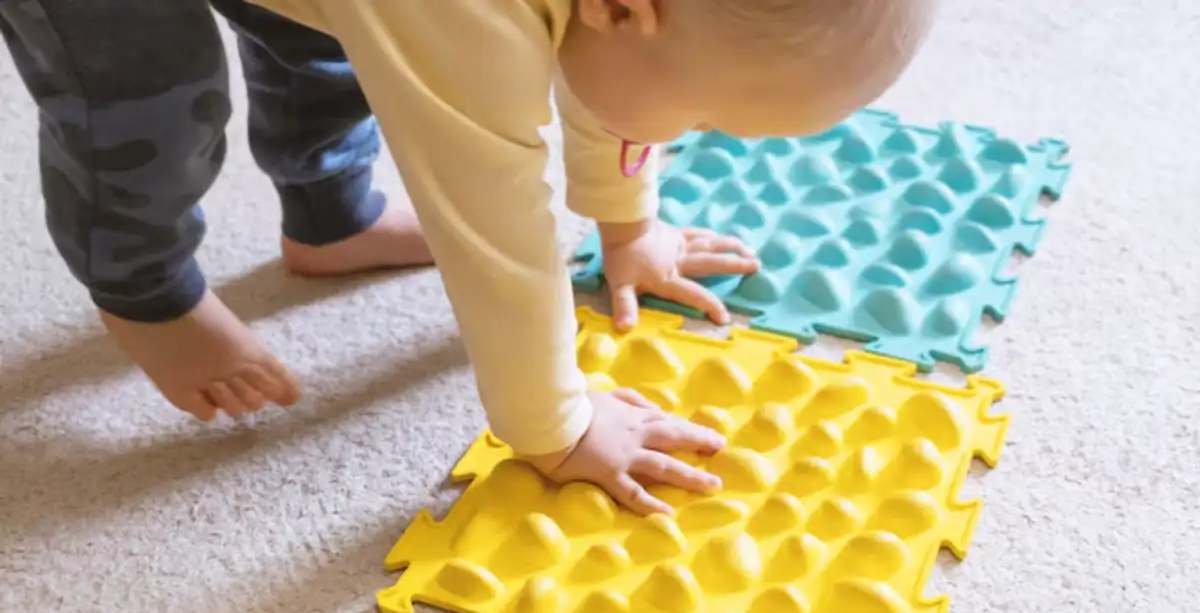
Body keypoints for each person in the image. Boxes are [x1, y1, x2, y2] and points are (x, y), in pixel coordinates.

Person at [0, 0, 936, 515]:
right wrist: (555, 423)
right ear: (624, 7)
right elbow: (493, 223)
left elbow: (604, 72)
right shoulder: (466, 13)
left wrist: (626, 222)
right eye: (705, 117)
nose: (692, 135)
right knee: (150, 115)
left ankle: (329, 217)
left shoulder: (619, 15)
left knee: (335, 43)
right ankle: (142, 289)